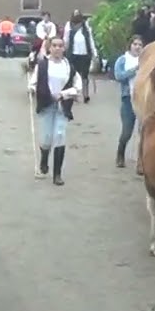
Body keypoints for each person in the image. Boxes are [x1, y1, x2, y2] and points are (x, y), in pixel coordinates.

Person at [27, 37, 82, 185]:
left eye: (60, 46)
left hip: (62, 106)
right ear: (50, 48)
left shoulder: (69, 66)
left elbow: (77, 86)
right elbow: (33, 83)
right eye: (54, 46)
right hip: (46, 105)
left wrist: (64, 94)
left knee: (59, 135)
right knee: (46, 138)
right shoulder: (43, 65)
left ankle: (57, 174)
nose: (57, 48)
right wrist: (32, 89)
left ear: (64, 48)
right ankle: (44, 159)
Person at [113, 36, 144, 167]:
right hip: (128, 99)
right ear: (130, 45)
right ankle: (120, 154)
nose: (137, 47)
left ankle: (141, 161)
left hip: (143, 98)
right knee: (127, 132)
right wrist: (135, 69)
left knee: (143, 131)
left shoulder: (145, 60)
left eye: (140, 45)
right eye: (135, 44)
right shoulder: (123, 60)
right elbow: (119, 76)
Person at [62, 13, 97, 103]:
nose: (76, 25)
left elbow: (91, 40)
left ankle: (86, 95)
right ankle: (73, 94)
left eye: (78, 22)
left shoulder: (86, 28)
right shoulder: (68, 27)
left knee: (84, 76)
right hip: (73, 54)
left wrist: (94, 53)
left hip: (85, 55)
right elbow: (66, 40)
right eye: (75, 22)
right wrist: (63, 52)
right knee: (73, 75)